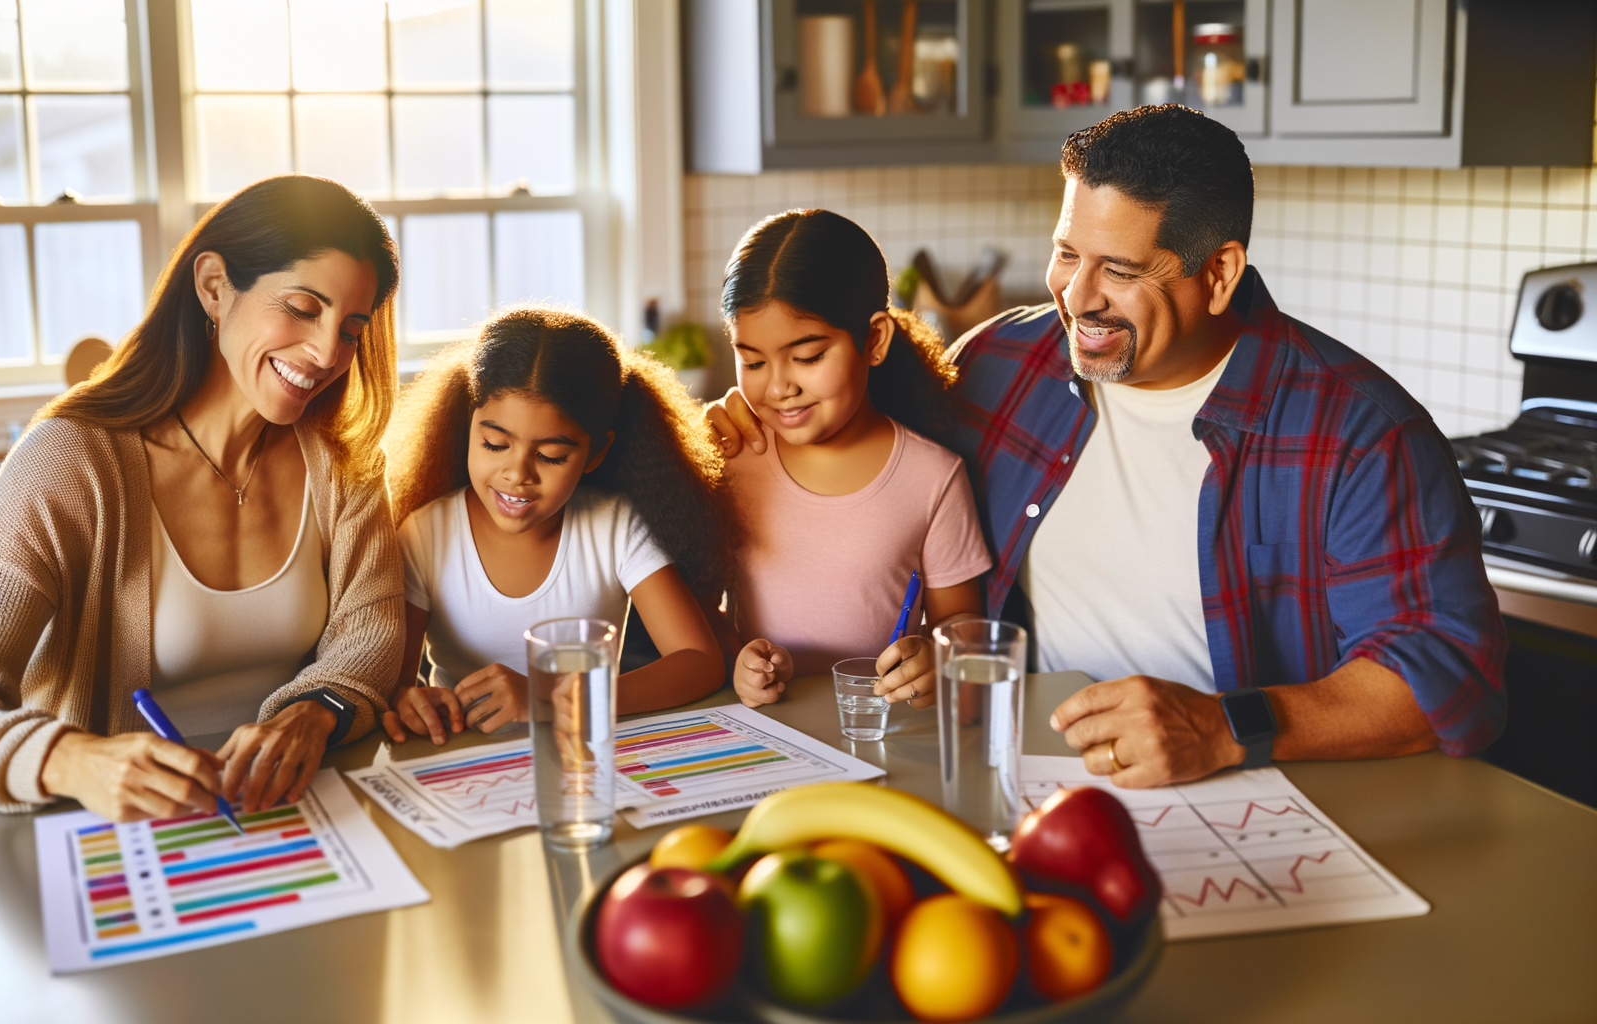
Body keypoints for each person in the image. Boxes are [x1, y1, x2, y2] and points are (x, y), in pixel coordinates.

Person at [708, 105, 1505, 787]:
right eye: (1066, 252)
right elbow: (863, 425)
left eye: (1118, 268)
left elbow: (1448, 679)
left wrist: (1224, 728)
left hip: (1254, 796)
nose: (1075, 296)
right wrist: (735, 419)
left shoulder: (1355, 434)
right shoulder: (1002, 366)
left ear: (1219, 273)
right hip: (1025, 781)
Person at [0, 175, 408, 820]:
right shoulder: (72, 463)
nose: (327, 351)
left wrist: (312, 713)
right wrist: (73, 759)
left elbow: (372, 636)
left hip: (297, 819)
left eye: (351, 328)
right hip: (120, 836)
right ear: (215, 286)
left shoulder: (342, 463)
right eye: (301, 307)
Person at [381, 308, 733, 744]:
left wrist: (552, 696)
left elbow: (699, 660)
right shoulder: (425, 534)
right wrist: (410, 701)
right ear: (466, 423)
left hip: (583, 757)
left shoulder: (614, 525)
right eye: (494, 444)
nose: (517, 473)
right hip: (464, 764)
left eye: (550, 455)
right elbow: (395, 686)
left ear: (596, 453)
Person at [719, 210, 991, 711]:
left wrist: (934, 653)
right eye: (753, 361)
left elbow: (962, 627)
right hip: (766, 733)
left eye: (807, 357)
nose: (779, 386)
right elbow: (696, 608)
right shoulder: (732, 458)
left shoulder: (933, 477)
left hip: (881, 732)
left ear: (875, 340)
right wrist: (736, 657)